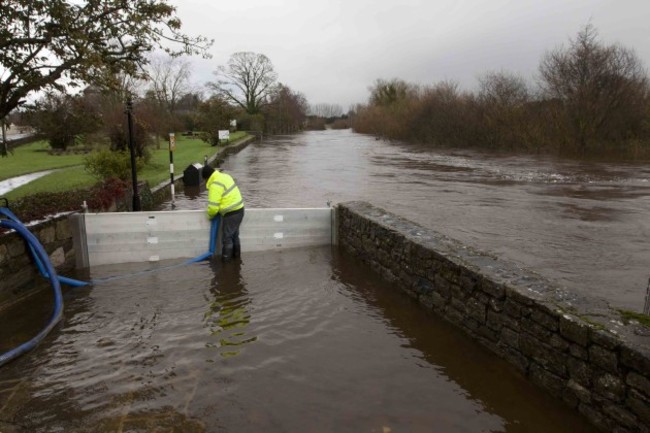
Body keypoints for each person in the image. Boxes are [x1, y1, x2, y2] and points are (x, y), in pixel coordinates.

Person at [202, 164, 245, 262]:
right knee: (235, 236)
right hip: (240, 209)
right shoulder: (225, 176)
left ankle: (226, 264)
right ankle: (237, 260)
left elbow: (213, 208)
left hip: (231, 213)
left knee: (227, 238)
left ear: (206, 178)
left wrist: (209, 216)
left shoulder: (215, 184)